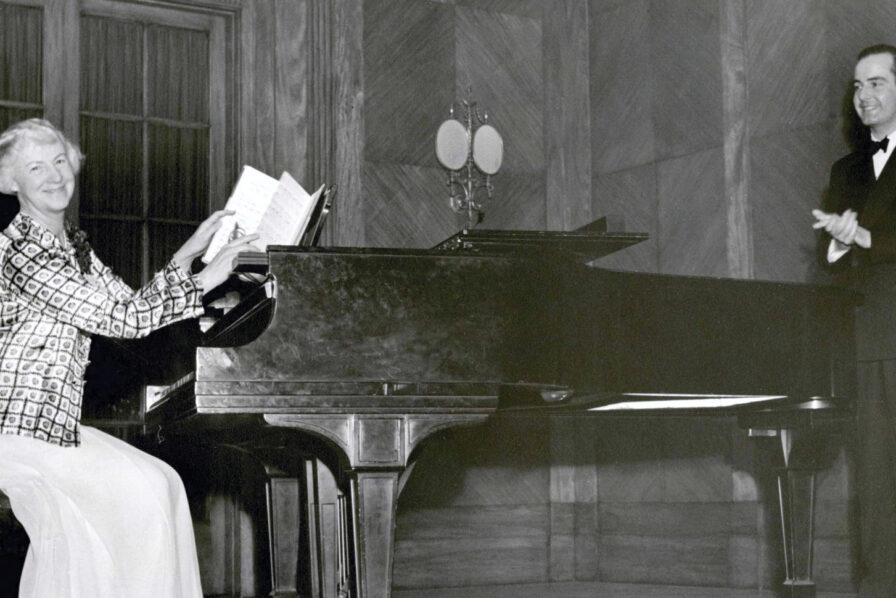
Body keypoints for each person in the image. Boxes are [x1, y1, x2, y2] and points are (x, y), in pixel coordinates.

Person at [0, 118, 257, 597]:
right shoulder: (22, 254)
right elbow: (127, 320)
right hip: (16, 432)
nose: (54, 176)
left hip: (53, 429)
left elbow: (128, 302)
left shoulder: (69, 245)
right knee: (144, 495)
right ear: (12, 182)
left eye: (59, 160)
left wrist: (190, 252)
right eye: (36, 167)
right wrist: (207, 279)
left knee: (164, 483)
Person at [813, 45, 896, 598]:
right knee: (876, 483)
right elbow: (831, 256)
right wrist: (841, 243)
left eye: (877, 83)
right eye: (857, 86)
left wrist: (866, 236)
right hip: (871, 338)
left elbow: (872, 238)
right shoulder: (845, 170)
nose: (863, 95)